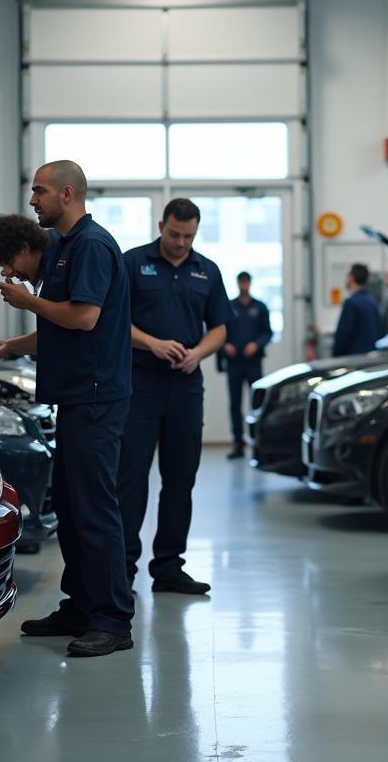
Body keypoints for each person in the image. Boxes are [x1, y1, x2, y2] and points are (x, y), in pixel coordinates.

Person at [0, 162, 134, 659]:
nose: (33, 198)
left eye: (39, 190)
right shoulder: (64, 249)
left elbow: (84, 318)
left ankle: (112, 619)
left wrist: (25, 301)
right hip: (77, 397)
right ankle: (80, 606)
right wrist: (11, 344)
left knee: (95, 510)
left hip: (97, 398)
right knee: (70, 504)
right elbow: (59, 328)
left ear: (67, 192)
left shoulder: (91, 246)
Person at [117, 198, 231, 595]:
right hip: (140, 384)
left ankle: (168, 568)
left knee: (180, 478)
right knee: (131, 478)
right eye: (175, 234)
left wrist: (199, 351)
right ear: (161, 224)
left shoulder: (207, 270)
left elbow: (219, 327)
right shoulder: (132, 263)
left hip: (185, 386)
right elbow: (114, 322)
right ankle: (123, 570)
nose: (181, 243)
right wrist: (152, 343)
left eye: (189, 236)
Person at [223, 272, 273, 460]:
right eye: (241, 282)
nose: (244, 285)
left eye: (246, 282)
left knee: (257, 404)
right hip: (234, 363)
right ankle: (238, 443)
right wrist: (225, 345)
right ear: (238, 283)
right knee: (235, 404)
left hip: (253, 362)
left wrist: (257, 344)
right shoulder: (229, 306)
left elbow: (267, 332)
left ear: (250, 283)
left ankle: (258, 444)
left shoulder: (260, 307)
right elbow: (220, 329)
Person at [331, 263, 382, 357]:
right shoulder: (372, 301)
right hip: (371, 357)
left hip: (353, 359)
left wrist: (335, 356)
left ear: (351, 277)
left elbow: (344, 334)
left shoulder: (351, 303)